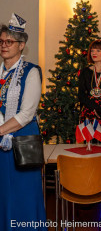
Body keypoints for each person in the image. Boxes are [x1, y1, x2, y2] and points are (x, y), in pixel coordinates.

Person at [0, 14, 47, 230]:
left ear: (21, 45)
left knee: (23, 196)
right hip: (1, 143)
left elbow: (27, 113)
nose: (4, 45)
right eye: (1, 41)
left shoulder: (31, 72)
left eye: (9, 42)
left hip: (22, 144)